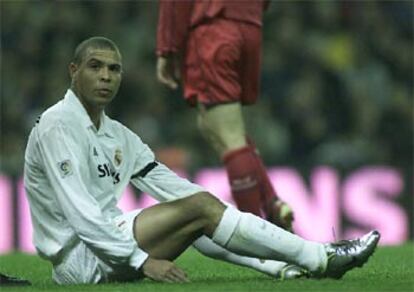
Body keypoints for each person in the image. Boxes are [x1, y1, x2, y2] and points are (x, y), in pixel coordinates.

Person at [24, 36, 380, 285]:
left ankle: (280, 267)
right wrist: (141, 261)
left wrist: (219, 211)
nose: (105, 76)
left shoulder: (118, 135)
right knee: (198, 210)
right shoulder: (57, 125)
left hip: (105, 242)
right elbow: (80, 213)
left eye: (114, 69)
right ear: (73, 70)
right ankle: (322, 257)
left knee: (197, 211)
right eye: (95, 66)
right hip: (80, 260)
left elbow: (177, 190)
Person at [156, 0, 293, 230]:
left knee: (229, 136)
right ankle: (271, 202)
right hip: (250, 25)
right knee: (214, 124)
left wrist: (167, 47)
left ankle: (257, 236)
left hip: (215, 27)